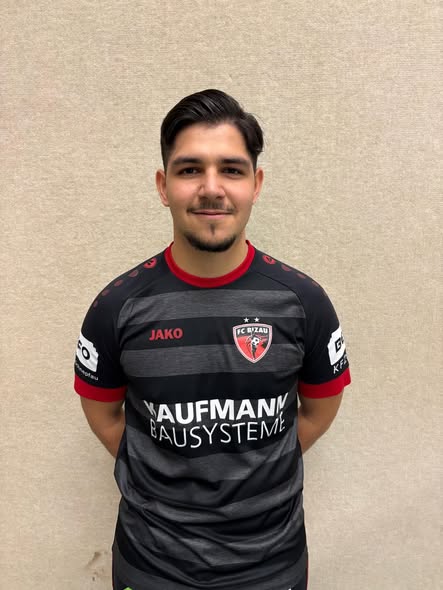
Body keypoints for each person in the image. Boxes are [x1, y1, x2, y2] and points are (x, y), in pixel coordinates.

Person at [74, 89, 351, 590]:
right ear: (163, 186)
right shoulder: (116, 307)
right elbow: (105, 417)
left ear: (255, 184)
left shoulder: (304, 302)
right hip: (152, 566)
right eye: (189, 169)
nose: (211, 188)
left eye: (231, 169)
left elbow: (318, 411)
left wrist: (261, 471)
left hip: (272, 567)